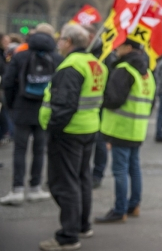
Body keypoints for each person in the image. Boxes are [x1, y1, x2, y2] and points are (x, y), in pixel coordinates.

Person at [38, 24, 108, 251]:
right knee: (82, 179)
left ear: (68, 42)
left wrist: (54, 128)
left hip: (68, 132)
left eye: (60, 39)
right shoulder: (95, 64)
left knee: (64, 184)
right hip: (88, 129)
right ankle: (82, 225)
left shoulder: (71, 66)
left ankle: (68, 236)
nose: (58, 43)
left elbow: (64, 105)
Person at [0, 23, 63, 206]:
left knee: (20, 149)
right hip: (44, 109)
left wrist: (12, 106)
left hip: (22, 107)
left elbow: (8, 83)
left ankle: (17, 189)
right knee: (39, 149)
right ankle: (35, 187)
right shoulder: (57, 58)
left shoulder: (21, 55)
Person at [95, 38, 155, 223]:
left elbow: (114, 99)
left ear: (128, 48)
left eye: (119, 45)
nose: (116, 48)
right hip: (137, 128)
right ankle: (133, 205)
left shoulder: (124, 69)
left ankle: (119, 210)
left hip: (120, 127)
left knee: (120, 170)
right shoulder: (146, 72)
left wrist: (100, 99)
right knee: (134, 168)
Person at [82, 24, 117, 190]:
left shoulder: (105, 55)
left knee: (100, 142)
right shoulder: (85, 53)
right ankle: (83, 172)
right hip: (85, 105)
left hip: (100, 104)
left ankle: (97, 174)